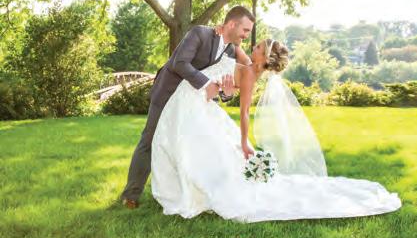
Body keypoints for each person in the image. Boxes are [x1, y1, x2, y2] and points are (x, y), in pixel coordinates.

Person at [151, 39, 401, 222]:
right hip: (196, 100)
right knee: (202, 149)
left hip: (197, 102)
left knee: (200, 150)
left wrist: (245, 142)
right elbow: (234, 48)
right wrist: (229, 36)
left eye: (259, 46)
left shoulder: (250, 75)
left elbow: (245, 112)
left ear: (263, 58)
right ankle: (195, 186)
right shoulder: (248, 65)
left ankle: (198, 191)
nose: (254, 46)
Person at [120, 6, 255, 208]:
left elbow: (221, 83)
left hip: (192, 104)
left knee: (186, 145)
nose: (246, 35)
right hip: (168, 94)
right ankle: (131, 195)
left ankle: (182, 192)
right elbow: (180, 63)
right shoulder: (200, 33)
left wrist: (226, 94)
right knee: (150, 139)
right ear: (232, 24)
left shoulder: (229, 51)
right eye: (245, 30)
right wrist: (206, 84)